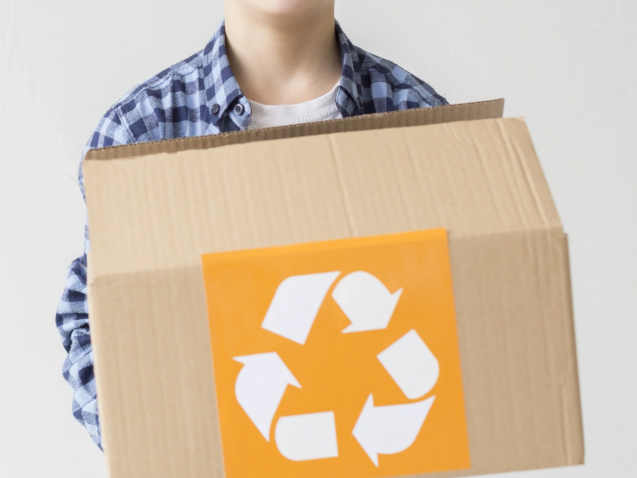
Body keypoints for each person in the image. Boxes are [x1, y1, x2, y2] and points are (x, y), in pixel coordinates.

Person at [56, 0, 448, 450]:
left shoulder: (422, 121)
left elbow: (471, 320)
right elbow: (94, 327)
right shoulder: (140, 134)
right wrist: (168, 448)